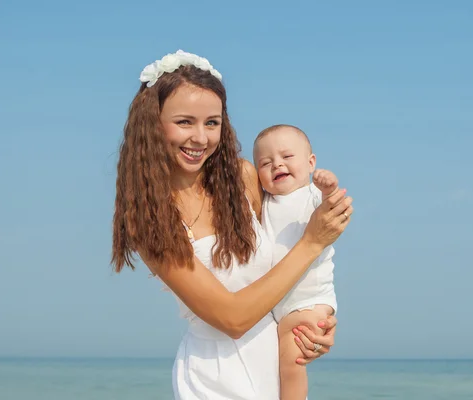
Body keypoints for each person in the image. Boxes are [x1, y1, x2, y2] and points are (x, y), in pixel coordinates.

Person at [111, 50, 353, 399]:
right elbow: (233, 319)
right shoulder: (149, 218)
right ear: (152, 123)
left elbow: (287, 241)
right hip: (214, 379)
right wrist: (313, 243)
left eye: (212, 122)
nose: (200, 137)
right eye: (184, 122)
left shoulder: (241, 179)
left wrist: (313, 320)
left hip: (277, 367)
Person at [253, 124, 340, 400]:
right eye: (265, 163)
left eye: (287, 157)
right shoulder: (265, 202)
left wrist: (328, 186)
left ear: (311, 162)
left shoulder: (311, 195)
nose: (277, 164)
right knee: (276, 366)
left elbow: (332, 207)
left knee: (292, 365)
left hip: (309, 300)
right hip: (277, 303)